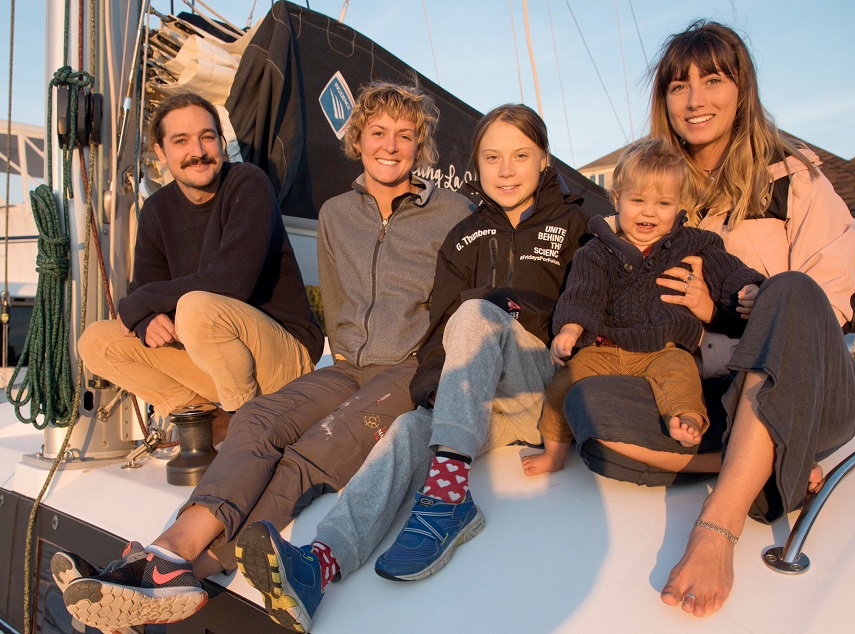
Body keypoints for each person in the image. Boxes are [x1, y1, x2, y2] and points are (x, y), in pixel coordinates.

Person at [58, 82, 471, 632]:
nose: (390, 146)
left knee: (318, 446)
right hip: (348, 364)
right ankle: (165, 552)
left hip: (411, 367)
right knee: (255, 417)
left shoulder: (452, 213)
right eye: (378, 133)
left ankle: (196, 568)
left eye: (405, 135)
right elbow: (343, 303)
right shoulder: (336, 214)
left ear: (422, 147)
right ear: (358, 140)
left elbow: (466, 303)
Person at [230, 104, 590, 633]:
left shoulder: (578, 225)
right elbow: (442, 329)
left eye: (520, 156)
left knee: (476, 311)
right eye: (492, 157)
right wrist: (430, 393)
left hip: (546, 382)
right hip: (490, 403)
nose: (507, 169)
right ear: (477, 165)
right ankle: (319, 563)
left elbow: (600, 300)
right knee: (406, 429)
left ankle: (446, 498)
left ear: (544, 161)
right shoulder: (465, 236)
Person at [560, 21, 855, 618]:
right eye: (679, 86)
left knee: (790, 290)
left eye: (712, 79)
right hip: (712, 391)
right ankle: (772, 462)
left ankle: (719, 522)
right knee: (591, 414)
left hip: (804, 382)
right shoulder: (654, 188)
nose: (695, 100)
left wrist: (719, 312)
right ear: (664, 100)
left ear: (742, 88)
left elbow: (822, 311)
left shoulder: (793, 177)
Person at [77, 92, 324, 442]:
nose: (198, 151)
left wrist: (142, 300)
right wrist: (148, 319)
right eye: (181, 141)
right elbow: (145, 287)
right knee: (96, 341)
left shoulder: (248, 183)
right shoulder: (157, 211)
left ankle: (247, 431)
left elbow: (232, 281)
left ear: (221, 143)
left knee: (196, 307)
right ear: (161, 153)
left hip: (284, 358)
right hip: (211, 356)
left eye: (207, 137)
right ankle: (207, 421)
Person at [522, 137, 764, 477]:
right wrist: (571, 327)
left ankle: (687, 419)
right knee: (563, 384)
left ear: (680, 205)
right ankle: (554, 453)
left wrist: (747, 288)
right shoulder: (598, 251)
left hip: (663, 348)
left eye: (663, 203)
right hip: (606, 348)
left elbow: (726, 270)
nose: (649, 211)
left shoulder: (691, 242)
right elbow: (583, 292)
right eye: (638, 200)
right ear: (617, 197)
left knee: (681, 376)